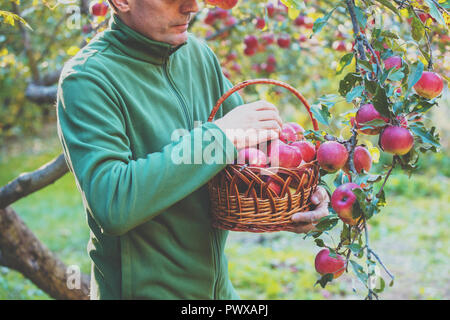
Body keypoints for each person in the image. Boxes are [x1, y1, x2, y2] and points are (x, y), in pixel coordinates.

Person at [56, 0, 330, 300]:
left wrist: (303, 195)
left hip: (217, 291)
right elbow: (113, 203)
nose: (192, 7)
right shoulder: (87, 79)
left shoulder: (197, 56)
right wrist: (220, 137)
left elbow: (257, 154)